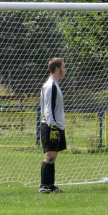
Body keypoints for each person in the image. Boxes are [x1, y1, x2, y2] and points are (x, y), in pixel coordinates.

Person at [39, 57, 67, 193]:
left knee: (53, 156)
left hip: (56, 125)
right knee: (50, 155)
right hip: (51, 126)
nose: (65, 69)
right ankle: (44, 185)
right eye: (63, 67)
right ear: (57, 69)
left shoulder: (55, 84)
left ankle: (50, 185)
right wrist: (53, 126)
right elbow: (47, 108)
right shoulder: (51, 85)